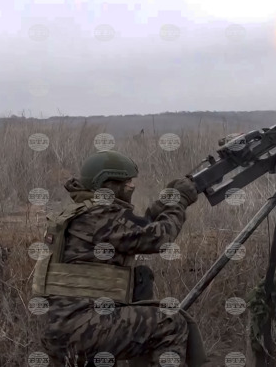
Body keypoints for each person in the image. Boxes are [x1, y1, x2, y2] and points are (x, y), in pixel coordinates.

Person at [31, 150, 207, 366]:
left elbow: (139, 228)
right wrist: (179, 202)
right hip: (80, 328)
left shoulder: (85, 212)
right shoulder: (99, 217)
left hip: (66, 326)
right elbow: (159, 238)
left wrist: (165, 202)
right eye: (127, 182)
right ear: (108, 186)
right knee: (171, 323)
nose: (132, 186)